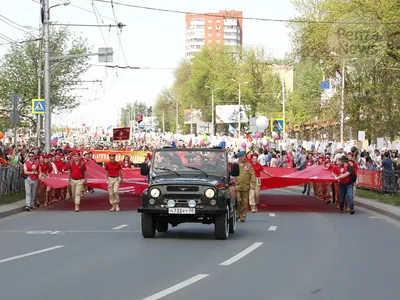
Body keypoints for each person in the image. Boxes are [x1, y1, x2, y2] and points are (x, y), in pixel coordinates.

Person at [235, 151, 256, 222]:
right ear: (239, 157)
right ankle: (236, 214)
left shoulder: (248, 165)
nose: (245, 157)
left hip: (246, 186)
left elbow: (252, 175)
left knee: (244, 202)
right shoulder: (235, 164)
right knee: (237, 201)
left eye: (245, 156)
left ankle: (243, 216)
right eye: (243, 156)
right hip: (237, 186)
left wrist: (252, 184)